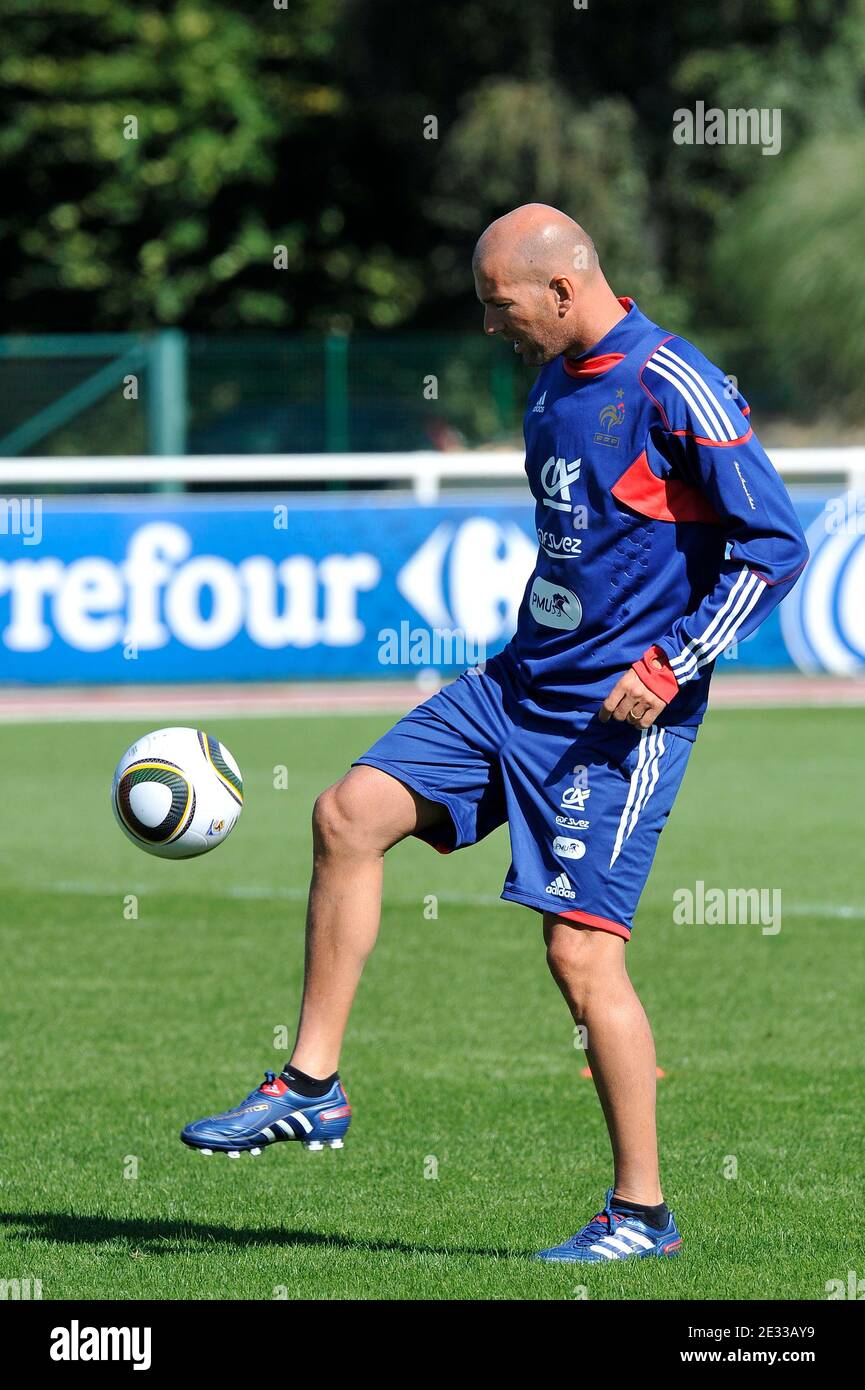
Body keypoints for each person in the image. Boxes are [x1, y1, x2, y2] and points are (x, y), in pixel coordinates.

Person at [181, 204, 808, 1263]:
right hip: (515, 688)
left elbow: (774, 546)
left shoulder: (673, 383)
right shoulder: (549, 386)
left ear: (561, 290)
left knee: (579, 959)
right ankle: (310, 1085)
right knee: (347, 814)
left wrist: (671, 663)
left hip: (616, 719)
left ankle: (641, 1214)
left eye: (496, 304)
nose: (488, 325)